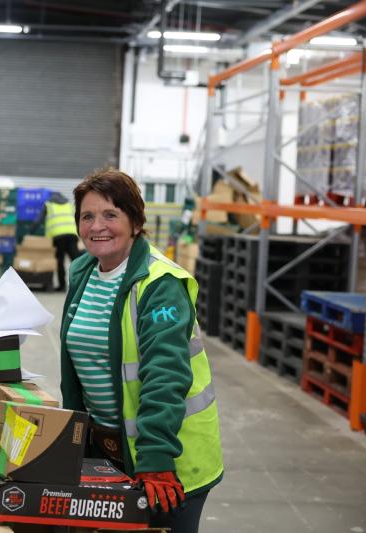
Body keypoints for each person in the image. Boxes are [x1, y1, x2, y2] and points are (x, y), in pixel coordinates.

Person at [59, 167, 223, 533]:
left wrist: (156, 458)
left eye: (110, 214)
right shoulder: (83, 272)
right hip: (107, 453)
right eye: (87, 216)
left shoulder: (160, 284)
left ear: (135, 223)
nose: (97, 226)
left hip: (168, 459)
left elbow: (165, 374)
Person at [33, 191, 81, 291]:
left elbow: (38, 220)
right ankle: (81, 284)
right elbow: (78, 219)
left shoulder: (48, 204)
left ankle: (62, 286)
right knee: (77, 261)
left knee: (60, 261)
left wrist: (31, 231)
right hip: (71, 235)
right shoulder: (69, 204)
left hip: (57, 236)